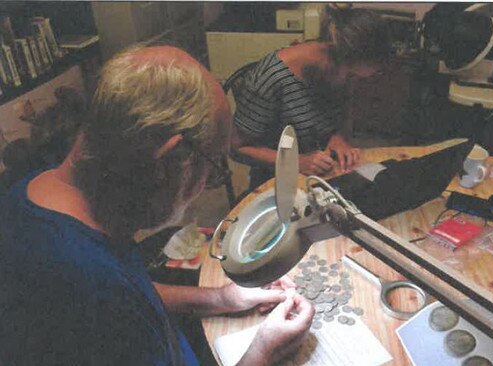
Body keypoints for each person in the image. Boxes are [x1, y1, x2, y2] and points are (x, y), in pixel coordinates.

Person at [0, 45, 314, 366]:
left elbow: (135, 290)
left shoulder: (39, 192)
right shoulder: (90, 286)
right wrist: (262, 354)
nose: (205, 187)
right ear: (171, 159)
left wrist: (220, 298)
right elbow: (112, 298)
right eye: (212, 169)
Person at [232, 6, 391, 189]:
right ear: (335, 57)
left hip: (323, 173)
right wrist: (296, 162)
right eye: (351, 76)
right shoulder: (271, 77)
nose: (352, 83)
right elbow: (236, 149)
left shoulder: (342, 71)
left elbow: (344, 114)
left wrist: (339, 138)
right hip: (276, 180)